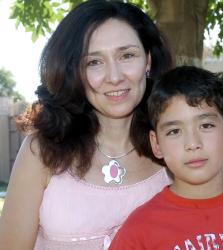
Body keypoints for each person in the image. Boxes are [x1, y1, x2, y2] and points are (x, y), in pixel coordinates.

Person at [0, 0, 173, 249]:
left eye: (127, 55)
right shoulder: (42, 152)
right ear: (75, 72)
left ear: (147, 61)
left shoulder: (175, 147)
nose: (114, 77)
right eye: (94, 62)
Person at [109, 66, 223, 249]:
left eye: (206, 126)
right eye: (174, 131)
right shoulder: (139, 230)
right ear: (156, 144)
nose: (192, 143)